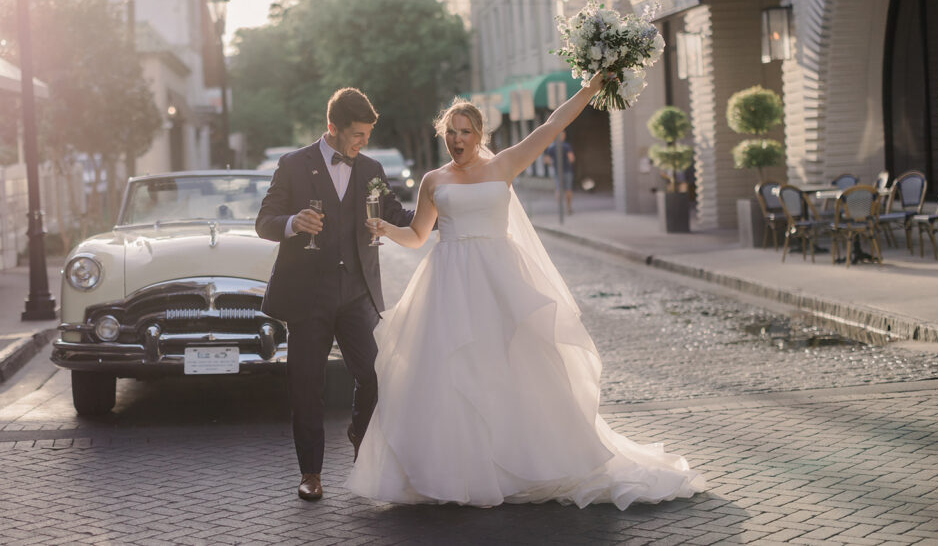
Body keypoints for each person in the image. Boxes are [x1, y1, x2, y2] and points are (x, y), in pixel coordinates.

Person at [347, 73, 706, 509]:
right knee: (452, 374)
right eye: (451, 133)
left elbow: (553, 124)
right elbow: (419, 236)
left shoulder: (504, 165)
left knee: (517, 367)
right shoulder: (433, 180)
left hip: (500, 280)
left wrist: (591, 88)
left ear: (480, 135)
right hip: (449, 286)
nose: (457, 140)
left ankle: (526, 463)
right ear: (443, 136)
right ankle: (461, 472)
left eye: (466, 132)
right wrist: (387, 229)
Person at [256, 87, 414, 502]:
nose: (362, 143)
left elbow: (400, 217)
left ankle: (360, 437)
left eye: (366, 135)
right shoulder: (293, 165)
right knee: (307, 385)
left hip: (357, 294)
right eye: (357, 135)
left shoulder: (371, 168)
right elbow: (265, 221)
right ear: (332, 128)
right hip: (308, 297)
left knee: (375, 374)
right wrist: (293, 222)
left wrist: (447, 203)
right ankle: (311, 472)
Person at [543, 131, 576, 214]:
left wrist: (553, 164)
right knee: (568, 189)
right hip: (567, 170)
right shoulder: (566, 146)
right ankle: (568, 208)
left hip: (557, 172)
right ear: (562, 137)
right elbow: (571, 158)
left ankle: (560, 208)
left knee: (558, 190)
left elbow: (546, 160)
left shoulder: (551, 147)